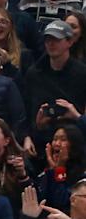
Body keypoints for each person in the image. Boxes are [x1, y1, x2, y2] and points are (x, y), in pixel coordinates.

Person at [26, 20, 86, 152]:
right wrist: (28, 135)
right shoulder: (34, 73)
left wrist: (76, 115)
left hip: (76, 139)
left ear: (69, 42)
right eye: (47, 39)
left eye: (56, 40)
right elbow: (26, 110)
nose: (51, 44)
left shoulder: (82, 74)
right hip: (41, 139)